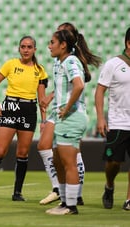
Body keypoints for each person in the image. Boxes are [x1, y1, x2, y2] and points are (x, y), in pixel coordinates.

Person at [0, 36, 48, 202]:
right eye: (23, 46)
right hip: (10, 108)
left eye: (29, 47)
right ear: (19, 49)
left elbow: (42, 99)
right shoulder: (11, 64)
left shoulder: (40, 70)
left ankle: (17, 193)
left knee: (22, 153)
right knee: (0, 150)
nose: (26, 49)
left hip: (29, 109)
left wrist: (44, 120)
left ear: (35, 49)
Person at [38, 22, 101, 205]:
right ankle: (64, 194)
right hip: (59, 111)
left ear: (64, 42)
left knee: (69, 158)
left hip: (70, 113)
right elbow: (62, 85)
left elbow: (78, 85)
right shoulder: (60, 60)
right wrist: (51, 97)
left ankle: (72, 198)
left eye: (53, 41)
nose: (49, 45)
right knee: (51, 150)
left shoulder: (71, 60)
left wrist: (66, 108)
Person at [95, 27, 130, 210]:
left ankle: (129, 199)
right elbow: (100, 91)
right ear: (128, 43)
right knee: (113, 163)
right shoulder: (113, 64)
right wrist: (101, 118)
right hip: (118, 122)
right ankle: (109, 186)